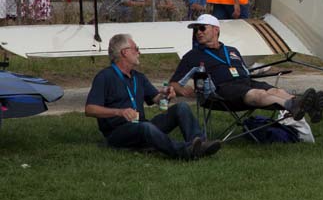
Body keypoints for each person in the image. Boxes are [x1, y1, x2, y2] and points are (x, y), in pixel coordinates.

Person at [85, 33, 221, 160]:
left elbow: (157, 99)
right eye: (136, 49)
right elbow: (90, 109)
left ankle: (199, 144)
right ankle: (184, 151)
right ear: (124, 52)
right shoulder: (105, 77)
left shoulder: (138, 77)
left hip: (141, 125)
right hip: (118, 132)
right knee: (146, 127)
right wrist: (119, 112)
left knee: (182, 107)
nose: (139, 52)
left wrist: (166, 95)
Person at [170, 14, 323, 122]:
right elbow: (174, 83)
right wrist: (183, 91)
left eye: (202, 28)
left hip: (246, 81)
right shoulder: (192, 56)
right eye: (196, 30)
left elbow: (246, 72)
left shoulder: (232, 50)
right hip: (221, 91)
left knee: (275, 91)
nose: (198, 32)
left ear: (216, 30)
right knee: (257, 93)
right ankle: (293, 105)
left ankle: (307, 107)